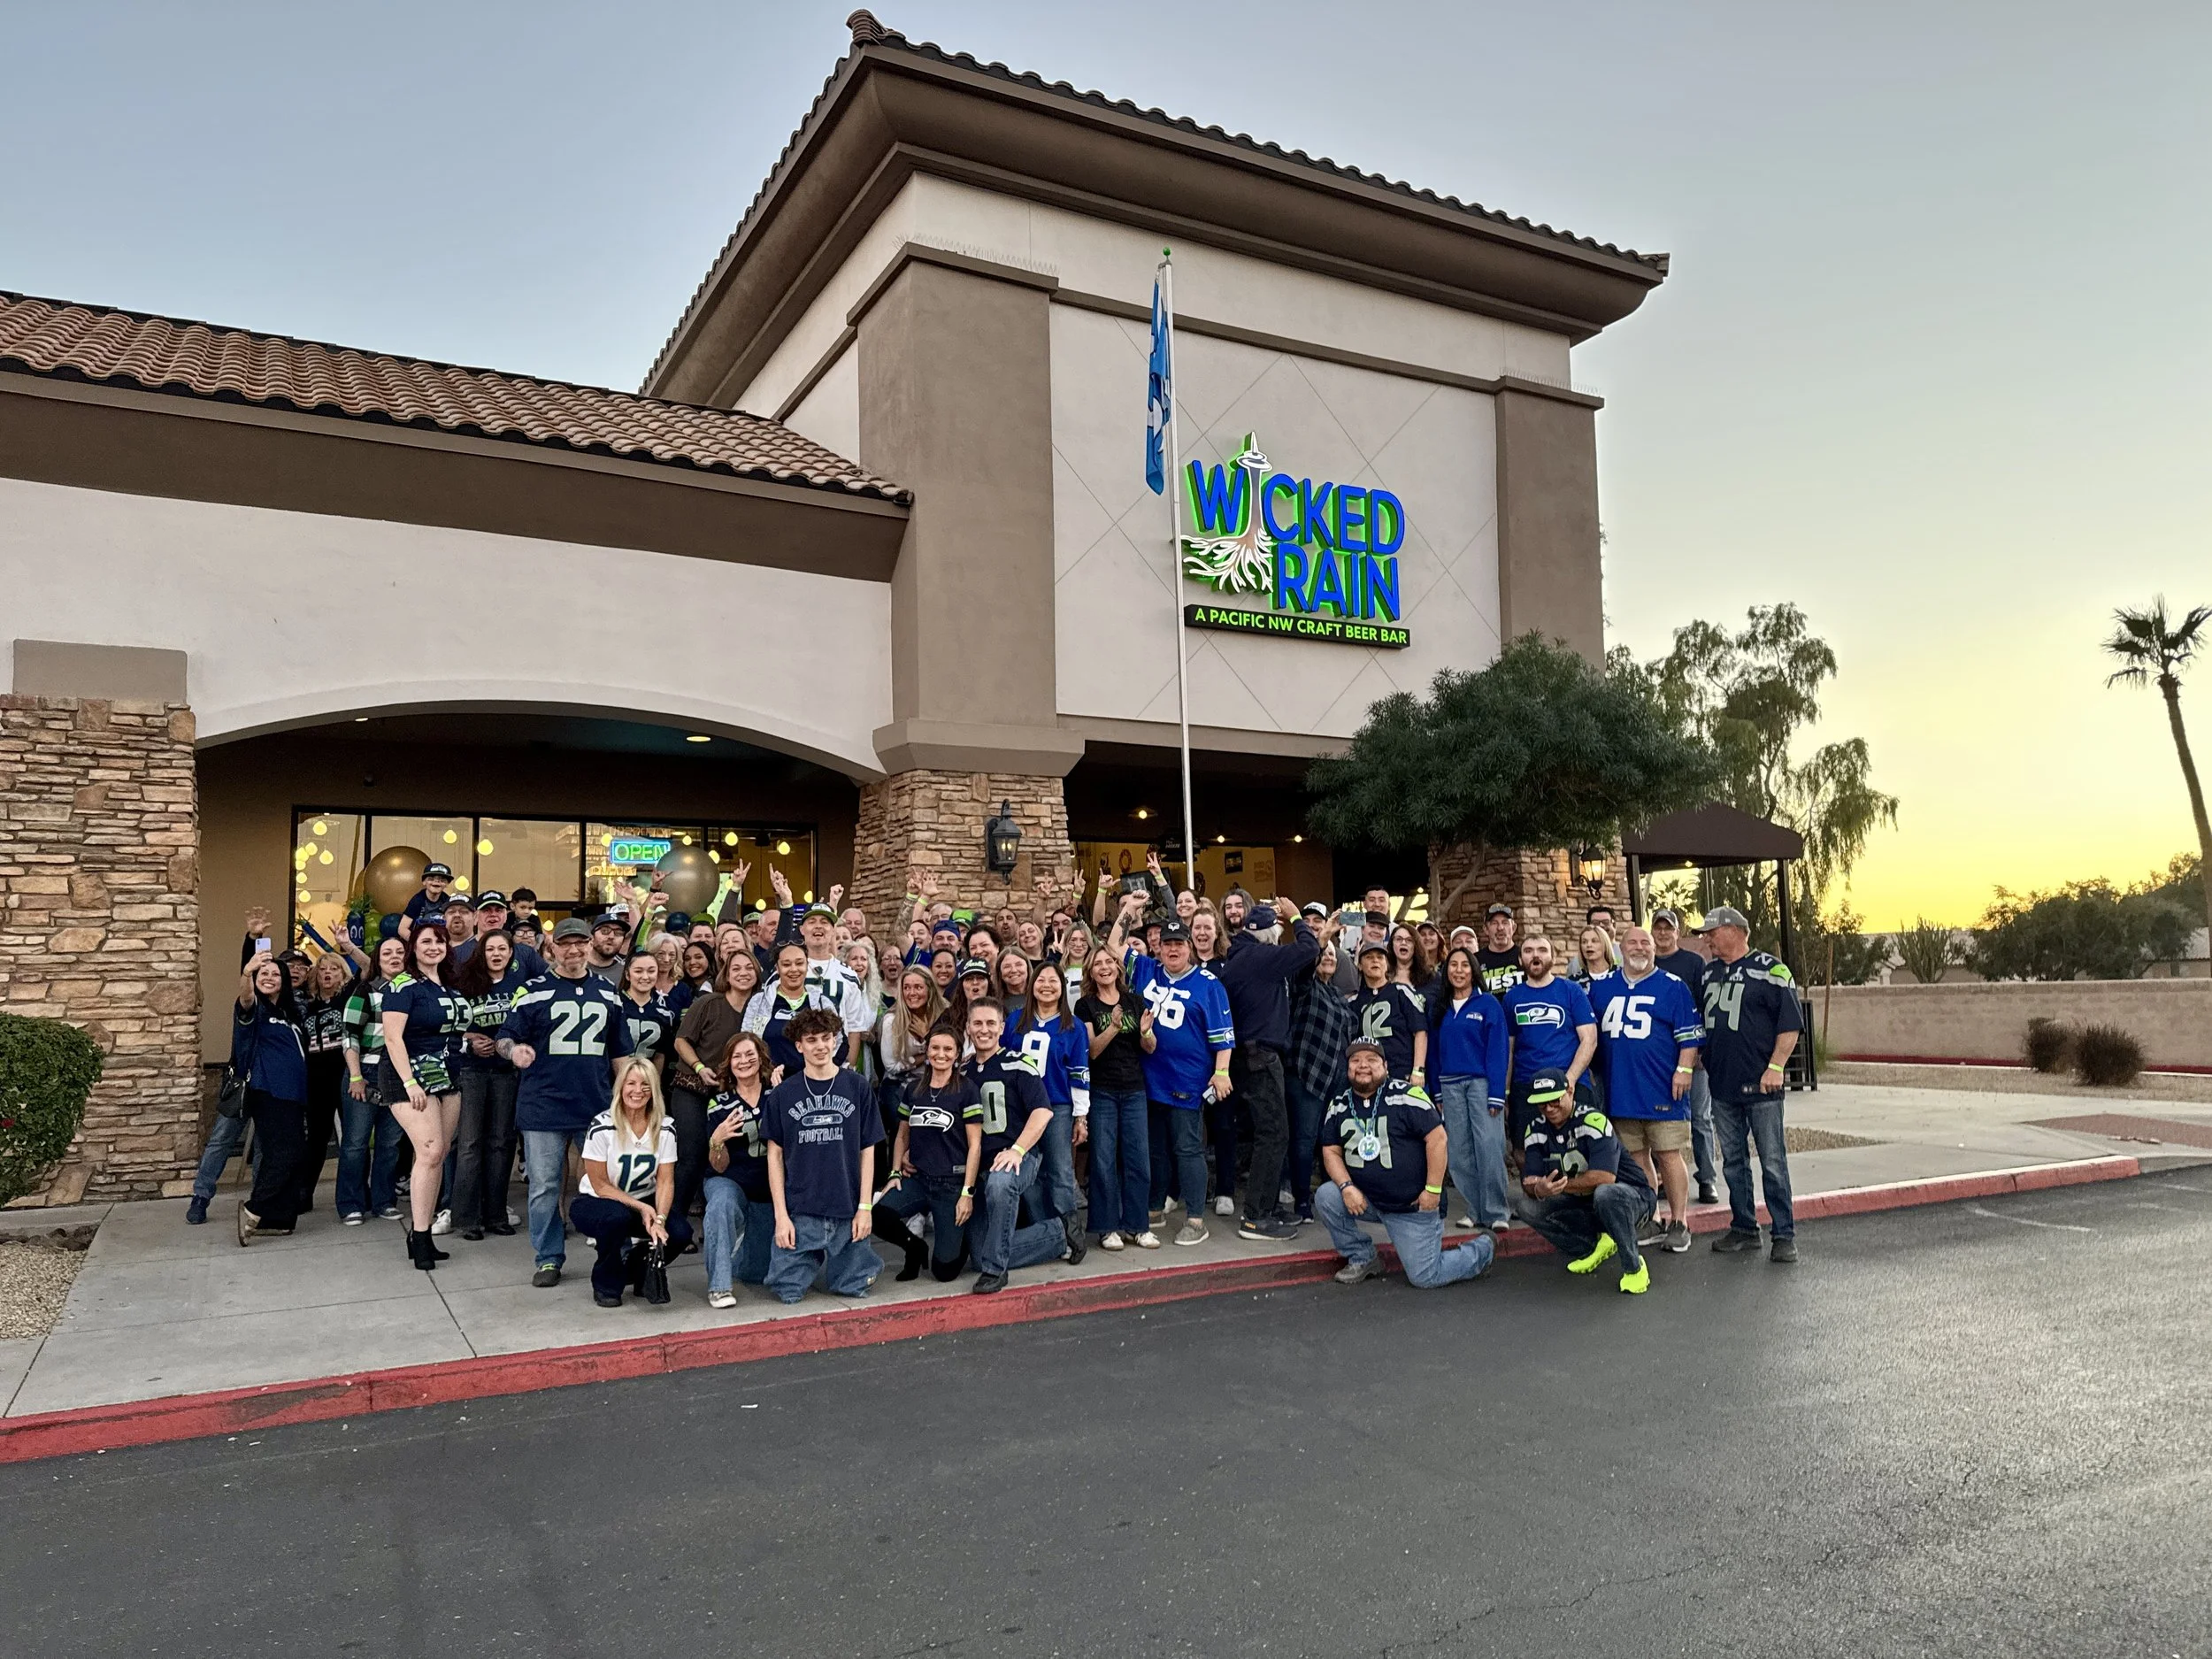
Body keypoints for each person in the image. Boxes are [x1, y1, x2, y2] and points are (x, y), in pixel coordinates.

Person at [497, 917, 636, 1288]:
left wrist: (628, 1099)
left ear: (590, 945)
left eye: (580, 943)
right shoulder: (532, 991)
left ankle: (616, 1250)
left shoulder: (608, 992)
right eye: (565, 943)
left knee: (606, 1182)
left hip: (595, 1103)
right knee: (544, 1186)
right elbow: (504, 1037)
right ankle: (548, 1258)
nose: (573, 950)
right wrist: (514, 1051)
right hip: (543, 1105)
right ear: (552, 948)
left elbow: (620, 1052)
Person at [1315, 1037, 1494, 1289]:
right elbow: (1331, 1151)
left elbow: (1438, 1140)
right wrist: (1346, 1187)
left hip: (1411, 1206)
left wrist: (1433, 1190)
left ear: (1385, 1066)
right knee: (1327, 1196)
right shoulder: (1339, 1104)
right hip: (1367, 1200)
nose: (1363, 1065)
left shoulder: (1408, 1095)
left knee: (1426, 1276)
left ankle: (1483, 1249)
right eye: (1355, 1060)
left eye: (1371, 1060)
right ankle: (1362, 1257)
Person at [1115, 901, 1234, 1245]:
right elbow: (1114, 946)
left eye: (1179, 944)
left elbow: (1224, 1035)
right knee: (1155, 1147)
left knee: (1187, 1147)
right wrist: (1127, 910)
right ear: (1159, 947)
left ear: (1189, 947)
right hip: (1148, 1078)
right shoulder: (1146, 970)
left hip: (1187, 1080)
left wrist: (1222, 1071)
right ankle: (1155, 1206)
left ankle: (1195, 1218)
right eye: (1167, 944)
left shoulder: (1209, 984)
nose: (1172, 950)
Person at [1588, 925, 1704, 1253]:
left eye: (1645, 943)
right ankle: (1651, 1217)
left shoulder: (1673, 986)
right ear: (1620, 949)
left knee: (1668, 1154)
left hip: (1662, 1088)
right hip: (1620, 1089)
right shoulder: (1602, 988)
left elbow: (1689, 1036)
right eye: (1632, 942)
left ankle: (1679, 1222)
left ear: (1654, 949)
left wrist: (1683, 1070)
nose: (1639, 948)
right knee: (1637, 1158)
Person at [1697, 905, 1804, 1263]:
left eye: (1712, 932)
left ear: (1734, 930)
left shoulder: (1772, 971)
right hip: (1722, 1086)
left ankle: (1784, 1234)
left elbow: (1789, 1025)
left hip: (1762, 1087)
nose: (1708, 939)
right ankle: (1744, 1228)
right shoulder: (1709, 973)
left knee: (1772, 1162)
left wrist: (1775, 1067)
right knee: (1733, 1162)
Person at [761, 1006, 885, 1304]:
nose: (820, 1046)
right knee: (787, 1291)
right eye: (811, 1040)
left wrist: (865, 1207)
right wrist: (781, 1217)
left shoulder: (857, 1087)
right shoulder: (783, 1094)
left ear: (836, 1040)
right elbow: (774, 1157)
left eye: (826, 1038)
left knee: (853, 1287)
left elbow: (868, 1149)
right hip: (802, 1209)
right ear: (799, 1046)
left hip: (847, 1207)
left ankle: (849, 1263)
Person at [1215, 896, 1320, 1241]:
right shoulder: (1260, 956)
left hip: (1251, 1054)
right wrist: (1296, 917)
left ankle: (1268, 1207)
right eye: (1278, 932)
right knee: (1273, 1134)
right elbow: (1309, 949)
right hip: (1259, 1054)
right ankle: (1256, 1217)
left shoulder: (1243, 956)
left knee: (1270, 1133)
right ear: (1269, 934)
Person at [964, 997, 1073, 1293]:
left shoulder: (1018, 1063)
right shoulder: (962, 1071)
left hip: (1018, 1157)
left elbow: (1042, 1111)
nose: (984, 1029)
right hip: (977, 1165)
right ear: (968, 1028)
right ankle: (1058, 1232)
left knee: (1000, 1184)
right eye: (977, 1023)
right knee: (978, 1254)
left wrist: (1017, 1150)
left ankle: (995, 1271)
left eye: (991, 1023)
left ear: (1002, 1027)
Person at [1515, 1067, 1656, 1294]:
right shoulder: (1535, 1129)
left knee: (1605, 1193)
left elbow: (1605, 1177)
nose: (1549, 1108)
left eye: (1554, 1100)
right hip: (1583, 1200)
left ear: (1570, 1091)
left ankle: (1634, 1268)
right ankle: (1592, 1246)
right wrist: (1538, 1188)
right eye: (1541, 1103)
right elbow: (1529, 1180)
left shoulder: (1593, 1121)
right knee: (1526, 1206)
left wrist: (1559, 1187)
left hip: (1632, 1198)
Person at [380, 924, 471, 1269]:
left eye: (440, 941)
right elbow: (393, 1038)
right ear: (413, 948)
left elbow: (453, 1030)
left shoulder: (450, 986)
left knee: (438, 1154)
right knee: (430, 1151)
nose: (434, 947)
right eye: (426, 941)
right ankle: (419, 1236)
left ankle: (424, 1232)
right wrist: (410, 1082)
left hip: (448, 1074)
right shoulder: (402, 985)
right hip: (410, 1076)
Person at [572, 1055, 687, 1308]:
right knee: (616, 1218)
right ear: (621, 1087)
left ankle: (636, 1271)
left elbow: (666, 1181)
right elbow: (600, 1185)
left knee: (680, 1233)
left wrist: (660, 1220)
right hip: (596, 1201)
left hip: (642, 1200)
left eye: (646, 1084)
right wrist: (642, 1208)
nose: (638, 1091)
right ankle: (606, 1284)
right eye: (631, 1083)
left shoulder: (665, 1127)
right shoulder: (602, 1125)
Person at [870, 1029, 982, 1283]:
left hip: (951, 1184)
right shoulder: (914, 1089)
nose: (941, 1054)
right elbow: (901, 1135)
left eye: (948, 1049)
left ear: (957, 1055)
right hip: (919, 1179)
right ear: (927, 1051)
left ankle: (960, 1238)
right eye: (935, 1048)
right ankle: (915, 1248)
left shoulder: (967, 1090)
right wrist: (895, 1173)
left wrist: (967, 1193)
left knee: (944, 1272)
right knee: (878, 1215)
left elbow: (975, 1145)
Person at [672, 949, 763, 1235]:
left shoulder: (760, 1008)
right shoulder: (709, 1002)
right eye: (736, 968)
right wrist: (699, 1067)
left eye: (749, 967)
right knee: (693, 1154)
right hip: (694, 1087)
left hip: (730, 1094)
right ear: (726, 973)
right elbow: (681, 1041)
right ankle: (674, 1227)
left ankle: (715, 1224)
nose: (743, 973)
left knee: (727, 1155)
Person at [449, 927, 529, 1240]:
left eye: (502, 949)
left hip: (506, 1072)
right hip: (471, 1071)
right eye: (490, 949)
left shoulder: (520, 987)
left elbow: (526, 1024)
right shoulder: (464, 983)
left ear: (511, 954)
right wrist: (470, 1039)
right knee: (469, 1144)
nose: (496, 954)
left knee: (501, 1142)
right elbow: (451, 1026)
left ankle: (496, 1215)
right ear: (481, 952)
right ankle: (466, 1218)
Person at [230, 933, 311, 1244]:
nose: (269, 977)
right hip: (268, 1091)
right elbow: (245, 998)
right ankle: (254, 1209)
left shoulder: (289, 1013)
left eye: (275, 974)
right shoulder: (256, 1009)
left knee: (295, 1153)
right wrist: (248, 970)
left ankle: (278, 1218)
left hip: (294, 1095)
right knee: (284, 1153)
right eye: (263, 973)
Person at [1426, 945, 1511, 1232]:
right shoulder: (1440, 1008)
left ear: (1473, 971)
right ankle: (1475, 1210)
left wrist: (1497, 1093)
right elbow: (1433, 1053)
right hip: (1449, 1086)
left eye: (1464, 965)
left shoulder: (1488, 1004)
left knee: (1489, 1147)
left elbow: (1498, 1051)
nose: (1459, 970)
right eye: (1453, 965)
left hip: (1481, 1085)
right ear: (1446, 971)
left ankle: (1496, 1211)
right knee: (1460, 1152)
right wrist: (1437, 1091)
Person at [1076, 943, 1155, 1250]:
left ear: (1118, 968)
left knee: (1138, 1160)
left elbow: (1150, 1047)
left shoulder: (1135, 1001)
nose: (1105, 968)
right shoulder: (1085, 1005)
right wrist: (1113, 1028)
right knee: (1103, 1160)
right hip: (1102, 1091)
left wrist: (1145, 1032)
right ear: (1091, 972)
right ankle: (1107, 1227)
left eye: (1109, 962)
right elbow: (1092, 1051)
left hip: (1134, 1089)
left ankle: (1138, 1226)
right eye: (1098, 964)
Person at [1007, 961, 1088, 1258]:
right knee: (1029, 1172)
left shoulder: (1073, 1026)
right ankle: (1046, 1234)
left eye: (1053, 981)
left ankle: (1071, 1234)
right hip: (1021, 1108)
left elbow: (1079, 1073)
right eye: (1041, 980)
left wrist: (1081, 1117)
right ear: (1032, 986)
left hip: (1057, 1107)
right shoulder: (1015, 1021)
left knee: (1060, 1171)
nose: (1046, 986)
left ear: (1062, 988)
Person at [332, 932, 409, 1225]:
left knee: (390, 1144)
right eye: (387, 953)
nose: (394, 957)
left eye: (399, 952)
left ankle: (383, 1201)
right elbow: (349, 1035)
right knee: (355, 1143)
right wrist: (355, 1076)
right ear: (378, 959)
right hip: (365, 1071)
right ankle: (350, 1203)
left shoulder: (413, 991)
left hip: (399, 1075)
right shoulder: (365, 991)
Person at [1499, 935, 1598, 1149]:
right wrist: (1505, 1091)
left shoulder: (1572, 991)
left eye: (1542, 950)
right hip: (1526, 1085)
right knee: (1524, 1149)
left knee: (1581, 1149)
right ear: (1520, 959)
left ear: (1553, 957)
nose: (1535, 955)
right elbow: (1508, 1049)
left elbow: (1589, 1039)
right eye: (1528, 951)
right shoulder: (1512, 998)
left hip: (1569, 1083)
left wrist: (1570, 1080)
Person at [701, 1032, 777, 1307]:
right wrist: (717, 1140)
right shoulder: (720, 1104)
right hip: (731, 1180)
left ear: (761, 1058)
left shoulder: (777, 1095)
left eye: (749, 1054)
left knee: (756, 1273)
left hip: (769, 1186)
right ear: (729, 1063)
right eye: (737, 1056)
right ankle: (719, 1287)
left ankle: (737, 1251)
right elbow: (718, 1165)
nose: (744, 1061)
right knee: (721, 1205)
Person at [1650, 908, 1720, 1204]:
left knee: (1701, 1118)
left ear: (1677, 932)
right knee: (1658, 1120)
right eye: (1658, 928)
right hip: (1658, 1058)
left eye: (1668, 928)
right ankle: (1663, 1179)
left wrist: (1701, 1050)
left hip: (1693, 1054)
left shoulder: (1693, 963)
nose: (1663, 933)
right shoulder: (1647, 964)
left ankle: (1707, 1179)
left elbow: (1705, 1007)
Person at [1283, 935, 1354, 1224]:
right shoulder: (1304, 987)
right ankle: (1302, 1202)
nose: (1328, 957)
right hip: (1306, 1075)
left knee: (1331, 1141)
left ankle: (1329, 1199)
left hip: (1338, 1079)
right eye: (1324, 953)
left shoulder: (1338, 995)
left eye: (1333, 954)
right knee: (1304, 1140)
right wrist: (1321, 940)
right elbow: (1303, 971)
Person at [293, 949, 356, 1217]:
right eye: (322, 969)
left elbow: (368, 969)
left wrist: (348, 947)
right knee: (317, 1138)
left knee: (353, 1137)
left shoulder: (347, 999)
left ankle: (356, 1194)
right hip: (316, 1078)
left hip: (345, 1074)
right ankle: (303, 1194)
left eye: (334, 968)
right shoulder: (307, 1005)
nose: (327, 973)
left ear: (343, 974)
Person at [1349, 938, 1427, 1082]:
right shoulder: (1353, 1002)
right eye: (1369, 957)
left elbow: (1420, 1031)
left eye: (1380, 957)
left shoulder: (1401, 992)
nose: (1375, 961)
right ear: (1360, 965)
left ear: (1387, 964)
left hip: (1402, 1075)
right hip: (1368, 1076)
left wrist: (1418, 1070)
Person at [618, 952, 678, 1079]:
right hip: (613, 1080)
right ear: (628, 975)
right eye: (638, 971)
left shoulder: (664, 1014)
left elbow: (660, 1055)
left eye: (651, 971)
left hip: (645, 1080)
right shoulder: (614, 1005)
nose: (645, 977)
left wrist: (653, 1084)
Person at [1474, 902, 1524, 997]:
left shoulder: (1525, 956)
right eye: (1494, 923)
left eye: (1505, 923)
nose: (1500, 928)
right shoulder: (1475, 960)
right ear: (1486, 929)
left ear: (1513, 928)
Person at [397, 860, 451, 941]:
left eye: (442, 880)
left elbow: (452, 928)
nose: (436, 882)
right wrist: (415, 942)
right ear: (424, 882)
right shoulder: (417, 901)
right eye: (431, 879)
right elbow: (402, 929)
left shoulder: (448, 902)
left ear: (447, 884)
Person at [585, 911, 629, 984]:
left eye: (618, 933)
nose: (611, 936)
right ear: (592, 937)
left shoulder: (626, 975)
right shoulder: (575, 967)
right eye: (605, 931)